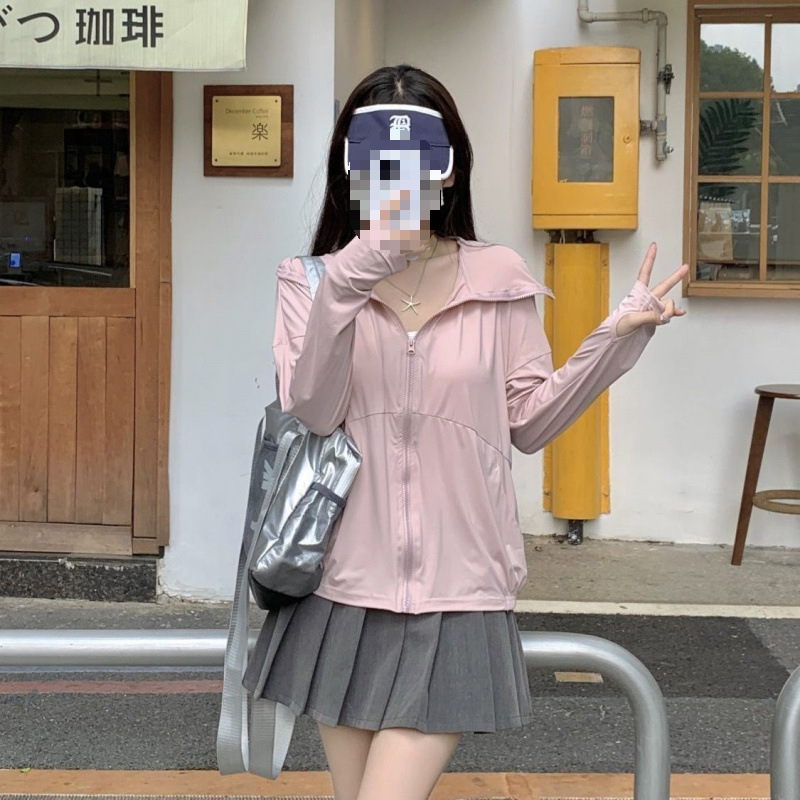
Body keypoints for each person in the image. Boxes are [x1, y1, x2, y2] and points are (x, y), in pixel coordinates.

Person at [242, 64, 688, 800]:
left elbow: (530, 422)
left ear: (448, 170)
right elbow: (314, 408)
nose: (398, 179)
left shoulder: (497, 276)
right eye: (379, 160)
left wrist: (614, 338)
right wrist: (354, 276)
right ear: (351, 169)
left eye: (417, 158)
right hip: (340, 589)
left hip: (460, 592)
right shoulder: (311, 281)